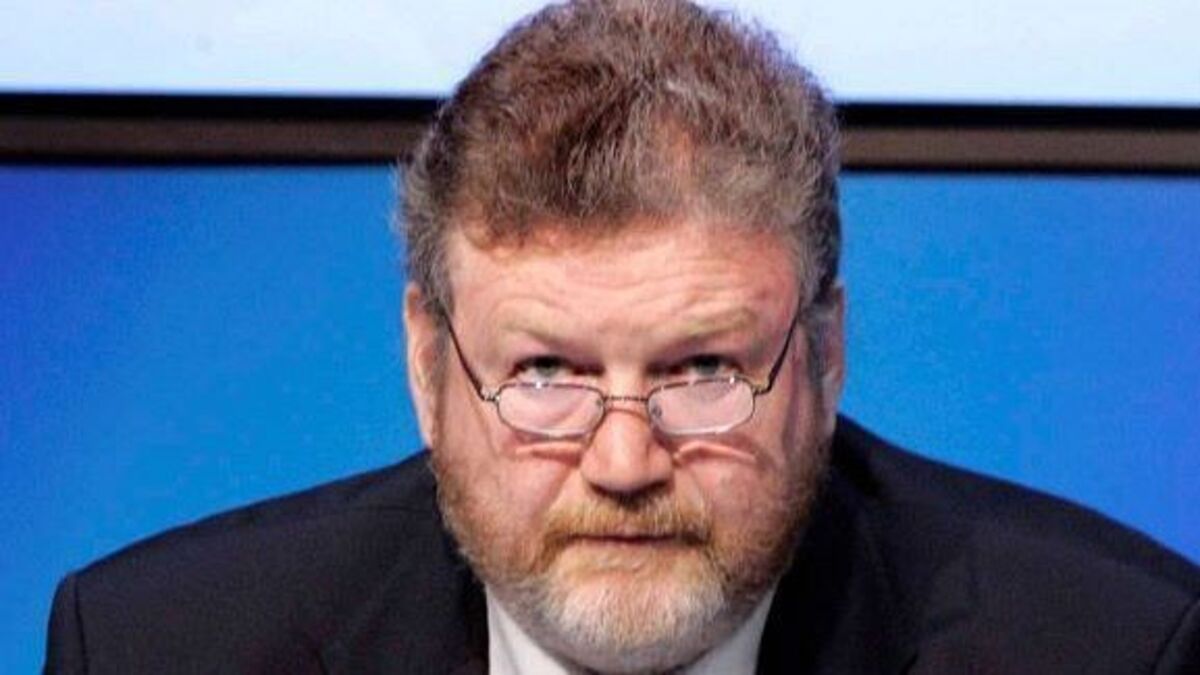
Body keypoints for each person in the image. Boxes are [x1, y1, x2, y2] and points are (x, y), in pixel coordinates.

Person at [44, 0, 1199, 672]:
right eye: (546, 371)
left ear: (825, 357)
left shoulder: (1109, 649)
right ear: (429, 367)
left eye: (703, 370)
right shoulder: (157, 649)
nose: (625, 462)